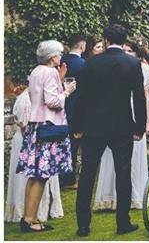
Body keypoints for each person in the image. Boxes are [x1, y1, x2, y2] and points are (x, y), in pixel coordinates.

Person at [73, 24, 146, 237]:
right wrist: (140, 126)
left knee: (87, 173)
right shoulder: (132, 63)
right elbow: (139, 98)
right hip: (121, 125)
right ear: (124, 41)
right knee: (123, 172)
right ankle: (123, 222)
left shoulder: (91, 63)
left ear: (105, 40)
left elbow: (81, 96)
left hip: (93, 126)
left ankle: (83, 225)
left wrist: (77, 125)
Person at [16, 40, 76, 233]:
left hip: (36, 126)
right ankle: (31, 219)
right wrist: (66, 91)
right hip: (47, 126)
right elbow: (52, 102)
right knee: (41, 176)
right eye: (59, 53)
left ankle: (27, 217)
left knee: (34, 175)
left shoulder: (36, 71)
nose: (61, 56)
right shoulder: (49, 72)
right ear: (52, 57)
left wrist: (60, 80)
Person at [92, 39, 149, 211]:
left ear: (136, 53)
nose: (126, 53)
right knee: (111, 159)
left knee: (131, 159)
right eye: (124, 50)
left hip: (134, 112)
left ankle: (133, 196)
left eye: (130, 51)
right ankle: (109, 196)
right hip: (116, 114)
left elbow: (145, 96)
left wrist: (146, 121)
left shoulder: (143, 68)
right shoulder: (114, 66)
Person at [6, 88, 64, 224]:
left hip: (42, 140)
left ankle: (36, 213)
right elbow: (24, 127)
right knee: (32, 178)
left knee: (39, 178)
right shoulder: (25, 99)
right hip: (30, 143)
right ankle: (28, 215)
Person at [60, 34, 86, 189]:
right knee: (73, 145)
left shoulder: (61, 61)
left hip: (59, 106)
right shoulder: (82, 64)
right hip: (75, 108)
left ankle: (61, 176)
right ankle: (69, 179)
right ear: (82, 46)